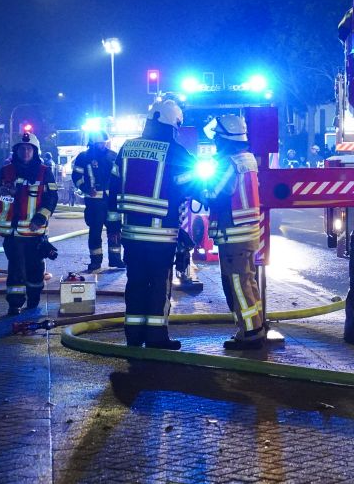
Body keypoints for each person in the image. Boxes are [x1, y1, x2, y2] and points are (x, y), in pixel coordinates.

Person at [109, 99, 198, 349]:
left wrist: (113, 227)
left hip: (131, 235)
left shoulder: (127, 148)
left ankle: (134, 336)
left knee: (136, 283)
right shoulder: (176, 152)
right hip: (162, 235)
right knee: (159, 284)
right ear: (173, 125)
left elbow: (112, 189)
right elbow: (192, 185)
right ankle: (157, 336)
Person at [205, 114, 266, 349]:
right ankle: (255, 326)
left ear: (225, 139)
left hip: (234, 234)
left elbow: (215, 193)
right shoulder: (247, 158)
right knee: (248, 281)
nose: (215, 142)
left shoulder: (228, 163)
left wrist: (197, 189)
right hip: (248, 232)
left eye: (217, 138)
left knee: (239, 284)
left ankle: (250, 334)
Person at [0, 133, 58, 316]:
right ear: (16, 151)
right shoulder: (6, 171)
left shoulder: (44, 172)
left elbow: (52, 198)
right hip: (12, 233)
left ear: (35, 152)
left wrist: (40, 218)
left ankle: (34, 300)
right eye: (22, 149)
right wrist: (0, 190)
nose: (25, 152)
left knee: (35, 269)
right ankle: (14, 304)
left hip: (35, 233)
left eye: (29, 149)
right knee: (16, 269)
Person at [72, 130, 124, 271]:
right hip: (94, 201)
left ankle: (115, 259)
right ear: (92, 143)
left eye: (104, 143)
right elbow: (76, 177)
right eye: (99, 143)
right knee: (95, 231)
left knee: (115, 230)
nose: (103, 146)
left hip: (112, 201)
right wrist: (86, 188)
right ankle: (95, 261)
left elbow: (120, 176)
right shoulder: (83, 157)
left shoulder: (113, 156)